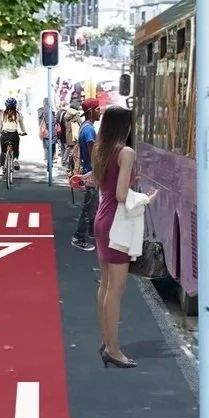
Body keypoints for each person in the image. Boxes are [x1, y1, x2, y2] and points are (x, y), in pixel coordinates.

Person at [89, 105, 138, 368]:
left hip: (101, 217)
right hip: (117, 221)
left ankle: (107, 340)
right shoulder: (126, 152)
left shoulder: (101, 149)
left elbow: (100, 183)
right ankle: (113, 349)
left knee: (106, 284)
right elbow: (122, 195)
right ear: (125, 126)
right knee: (117, 289)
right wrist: (145, 198)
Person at [71, 103, 99, 251]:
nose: (100, 112)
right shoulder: (89, 130)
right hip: (91, 174)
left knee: (93, 205)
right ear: (91, 111)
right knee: (88, 208)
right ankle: (78, 237)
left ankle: (92, 232)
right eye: (98, 109)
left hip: (89, 172)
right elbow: (93, 153)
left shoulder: (85, 127)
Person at [0, 97, 24, 176]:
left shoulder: (3, 114)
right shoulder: (18, 114)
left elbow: (0, 125)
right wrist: (24, 132)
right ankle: (15, 159)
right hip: (14, 135)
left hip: (4, 135)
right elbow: (22, 125)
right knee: (16, 149)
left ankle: (2, 168)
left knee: (3, 151)